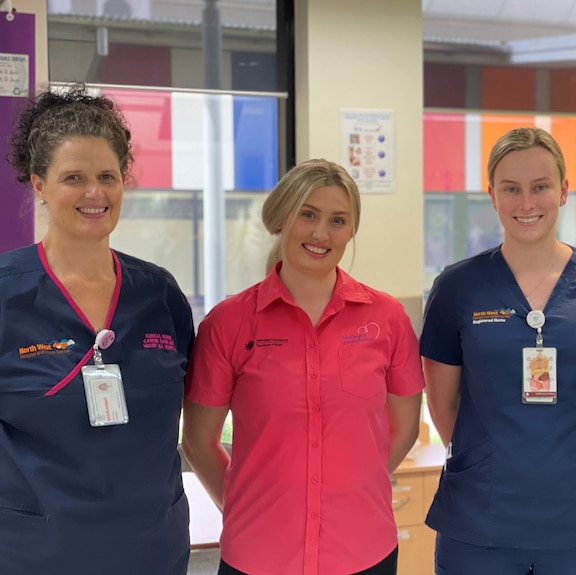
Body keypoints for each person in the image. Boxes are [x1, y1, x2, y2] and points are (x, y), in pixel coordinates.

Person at [182, 159, 424, 575]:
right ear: (281, 218)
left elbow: (403, 428)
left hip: (363, 551)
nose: (320, 233)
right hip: (258, 554)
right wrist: (246, 504)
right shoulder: (228, 323)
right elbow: (199, 441)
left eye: (337, 220)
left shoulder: (387, 319)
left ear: (351, 231)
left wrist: (351, 484)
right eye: (307, 214)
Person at [421, 127, 576, 575]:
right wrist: (486, 460)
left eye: (540, 187)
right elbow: (442, 403)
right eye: (512, 189)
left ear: (563, 191)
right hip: (479, 522)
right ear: (493, 195)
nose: (527, 203)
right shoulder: (456, 288)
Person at [0, 87, 194, 574]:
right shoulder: (6, 295)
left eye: (108, 176)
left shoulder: (160, 294)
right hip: (36, 556)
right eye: (74, 178)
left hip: (153, 552)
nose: (95, 193)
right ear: (39, 183)